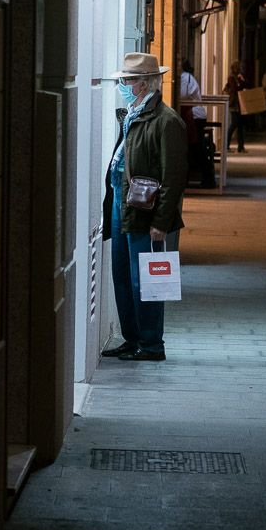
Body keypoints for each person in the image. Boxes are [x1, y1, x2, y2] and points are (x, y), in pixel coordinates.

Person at [101, 53, 187, 362]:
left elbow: (174, 178)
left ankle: (151, 344)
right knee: (122, 275)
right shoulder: (133, 115)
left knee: (146, 280)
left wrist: (161, 221)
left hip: (145, 209)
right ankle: (132, 338)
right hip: (122, 204)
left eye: (127, 80)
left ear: (144, 83)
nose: (123, 85)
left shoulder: (166, 122)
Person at [179, 59, 215, 188]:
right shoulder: (186, 77)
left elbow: (182, 95)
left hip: (194, 116)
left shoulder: (185, 77)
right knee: (193, 149)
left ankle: (207, 178)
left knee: (196, 148)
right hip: (191, 116)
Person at [222, 60, 248, 153]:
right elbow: (235, 89)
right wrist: (241, 82)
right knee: (234, 124)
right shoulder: (232, 77)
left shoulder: (238, 77)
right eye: (237, 67)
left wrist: (241, 81)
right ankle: (226, 145)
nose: (239, 68)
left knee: (240, 125)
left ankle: (241, 146)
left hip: (239, 104)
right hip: (234, 104)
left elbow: (243, 85)